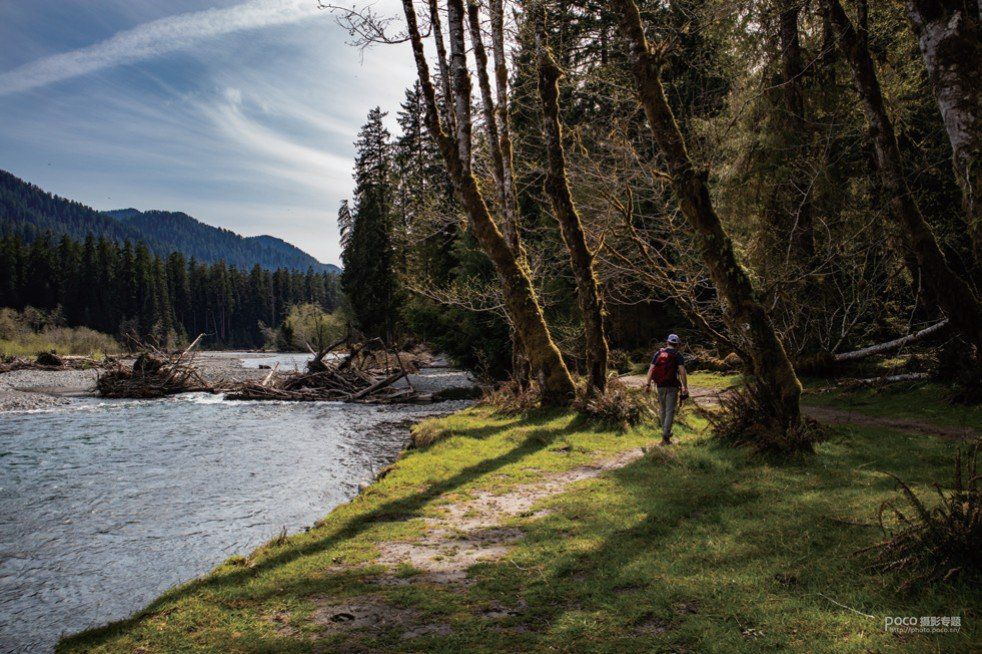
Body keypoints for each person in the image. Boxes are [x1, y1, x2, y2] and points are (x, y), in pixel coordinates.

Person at [644, 333, 688, 445]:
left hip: (660, 385)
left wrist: (648, 385)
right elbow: (682, 372)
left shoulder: (659, 353)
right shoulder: (677, 355)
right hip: (672, 386)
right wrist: (685, 387)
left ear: (667, 342)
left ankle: (665, 432)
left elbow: (651, 370)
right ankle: (666, 435)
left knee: (663, 410)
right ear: (677, 344)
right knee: (670, 411)